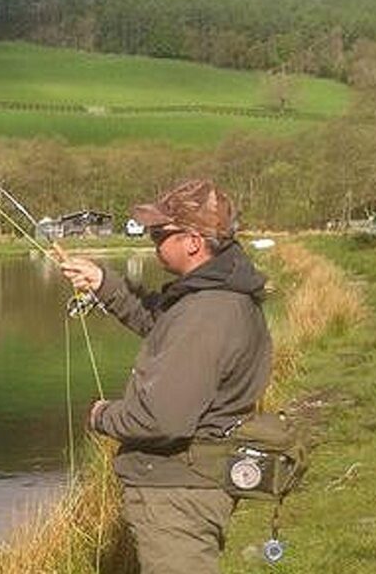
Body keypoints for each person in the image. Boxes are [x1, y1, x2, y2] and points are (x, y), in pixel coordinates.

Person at [55, 179, 272, 574]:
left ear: (192, 241)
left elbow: (162, 420)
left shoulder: (206, 314)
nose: (153, 241)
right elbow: (160, 320)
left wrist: (102, 416)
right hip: (192, 483)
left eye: (160, 234)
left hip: (178, 494)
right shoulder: (217, 294)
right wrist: (103, 283)